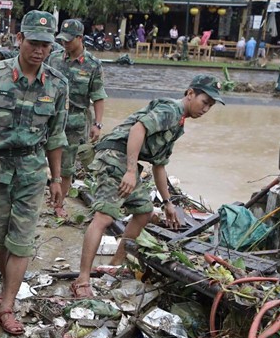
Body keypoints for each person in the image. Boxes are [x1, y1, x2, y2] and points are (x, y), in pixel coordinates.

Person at [70, 76, 225, 298]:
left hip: (125, 160)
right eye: (205, 101)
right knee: (104, 217)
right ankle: (82, 280)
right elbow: (138, 129)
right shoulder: (171, 110)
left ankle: (114, 266)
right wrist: (131, 172)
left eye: (210, 105)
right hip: (114, 157)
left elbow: (159, 166)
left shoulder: (178, 124)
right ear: (190, 93)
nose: (206, 108)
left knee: (143, 212)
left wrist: (168, 203)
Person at [0, 11, 68, 335]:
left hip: (32, 171)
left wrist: (56, 179)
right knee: (1, 236)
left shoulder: (57, 84)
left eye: (46, 45)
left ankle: (6, 305)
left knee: (21, 240)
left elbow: (56, 137)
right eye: (34, 43)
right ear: (19, 39)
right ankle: (7, 289)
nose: (39, 51)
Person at [47, 19, 107, 218]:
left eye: (69, 40)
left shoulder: (93, 65)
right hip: (48, 118)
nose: (65, 43)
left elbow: (98, 96)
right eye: (62, 40)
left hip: (74, 123)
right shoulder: (53, 58)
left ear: (80, 38)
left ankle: (59, 204)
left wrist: (97, 124)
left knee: (66, 167)